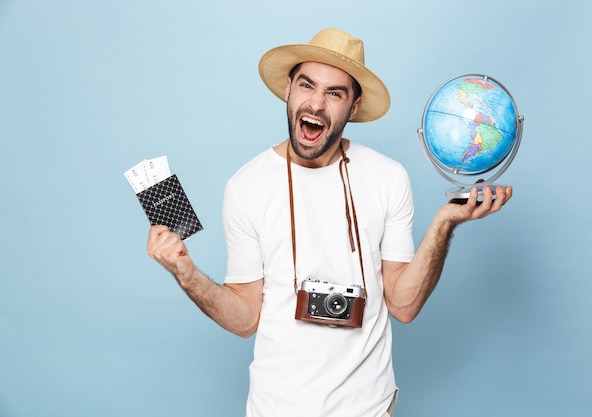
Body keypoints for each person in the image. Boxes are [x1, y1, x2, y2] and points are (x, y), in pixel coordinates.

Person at [147, 28, 512, 417]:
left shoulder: (387, 176)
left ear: (353, 107)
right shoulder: (245, 186)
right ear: (288, 89)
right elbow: (245, 318)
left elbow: (403, 306)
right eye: (307, 85)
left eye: (335, 93)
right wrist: (187, 274)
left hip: (369, 409)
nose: (317, 104)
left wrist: (444, 223)